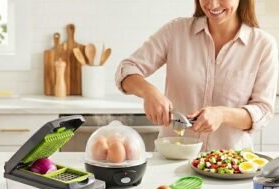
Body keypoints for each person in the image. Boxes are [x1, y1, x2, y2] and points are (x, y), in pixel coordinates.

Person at [115, 0, 278, 151]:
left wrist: (222, 114)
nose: (213, 4)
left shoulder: (263, 45)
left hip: (229, 166)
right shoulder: (176, 31)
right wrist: (149, 92)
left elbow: (262, 111)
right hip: (174, 159)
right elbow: (127, 69)